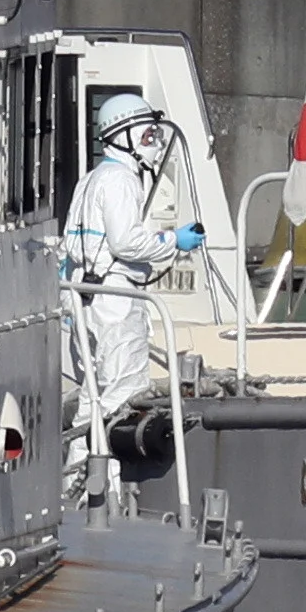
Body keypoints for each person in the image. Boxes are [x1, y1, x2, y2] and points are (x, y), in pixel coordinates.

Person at [63, 91, 200, 433]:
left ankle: (79, 461)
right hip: (115, 300)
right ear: (124, 137)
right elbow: (125, 242)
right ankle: (106, 463)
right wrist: (174, 240)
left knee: (92, 395)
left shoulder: (90, 180)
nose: (155, 143)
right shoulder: (122, 180)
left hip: (84, 297)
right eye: (149, 135)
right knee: (123, 393)